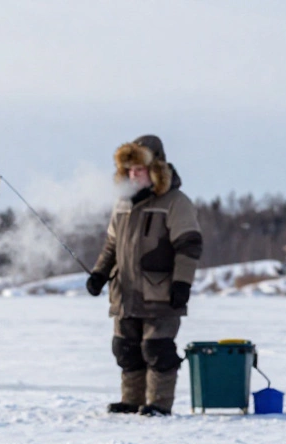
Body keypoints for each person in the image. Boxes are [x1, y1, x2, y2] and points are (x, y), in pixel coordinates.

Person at [86, 135, 202, 416]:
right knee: (126, 349)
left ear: (156, 169)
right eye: (130, 170)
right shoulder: (122, 205)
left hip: (160, 293)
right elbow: (112, 245)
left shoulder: (176, 202)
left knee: (157, 349)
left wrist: (182, 284)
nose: (134, 175)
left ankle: (159, 404)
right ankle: (131, 401)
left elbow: (188, 246)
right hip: (124, 294)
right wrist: (99, 273)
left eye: (139, 169)